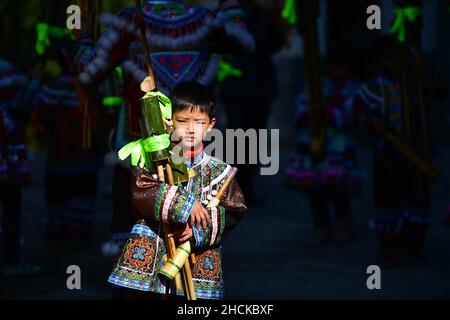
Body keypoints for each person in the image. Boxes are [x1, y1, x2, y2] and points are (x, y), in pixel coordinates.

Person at [75, 0, 254, 256]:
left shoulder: (127, 21)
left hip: (139, 143)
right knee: (197, 217)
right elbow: (242, 41)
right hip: (193, 147)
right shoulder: (204, 20)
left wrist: (83, 39)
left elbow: (89, 70)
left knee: (133, 220)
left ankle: (137, 271)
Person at [108, 80, 247, 300]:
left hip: (197, 258)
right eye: (182, 121)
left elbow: (234, 209)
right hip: (152, 252)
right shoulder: (154, 160)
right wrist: (186, 205)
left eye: (199, 122)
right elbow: (140, 190)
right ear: (170, 122)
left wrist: (198, 229)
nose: (191, 130)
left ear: (211, 125)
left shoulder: (220, 171)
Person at [353, 36, 434, 265]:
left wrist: (423, 73)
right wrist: (372, 122)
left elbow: (439, 89)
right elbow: (359, 112)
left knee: (417, 197)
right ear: (384, 60)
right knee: (389, 200)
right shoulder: (374, 88)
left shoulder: (417, 84)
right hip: (388, 155)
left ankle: (414, 246)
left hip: (418, 153)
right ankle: (390, 247)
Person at [285, 47, 363, 246]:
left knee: (337, 187)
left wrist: (329, 113)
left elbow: (354, 114)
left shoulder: (355, 89)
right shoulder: (317, 85)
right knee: (314, 188)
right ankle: (321, 226)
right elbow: (301, 106)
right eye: (335, 66)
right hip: (314, 142)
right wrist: (310, 113)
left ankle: (343, 223)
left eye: (342, 66)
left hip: (338, 145)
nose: (338, 70)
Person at [0, 59, 41, 275]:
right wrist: (34, 82)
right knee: (10, 203)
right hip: (8, 153)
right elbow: (21, 105)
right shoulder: (9, 72)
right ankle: (11, 259)